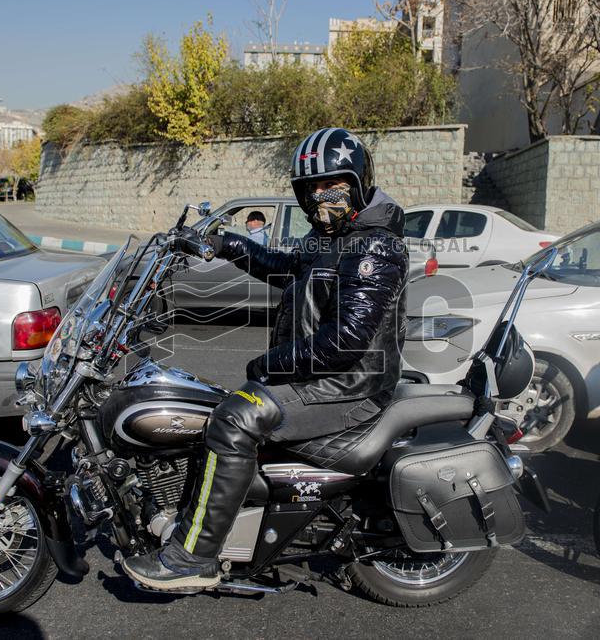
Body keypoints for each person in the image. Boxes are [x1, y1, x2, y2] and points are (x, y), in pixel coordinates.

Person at [123, 127, 409, 590]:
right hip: (321, 375)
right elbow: (284, 266)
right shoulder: (332, 236)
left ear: (358, 182)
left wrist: (269, 365)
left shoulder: (374, 244)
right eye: (310, 188)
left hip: (348, 385)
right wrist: (227, 244)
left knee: (233, 419)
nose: (320, 196)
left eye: (331, 184)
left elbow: (346, 341)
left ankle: (193, 557)